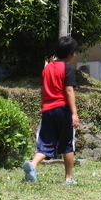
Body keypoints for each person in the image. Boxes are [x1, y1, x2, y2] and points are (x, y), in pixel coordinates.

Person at [23, 36, 80, 185]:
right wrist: (74, 113)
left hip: (48, 110)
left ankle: (33, 165)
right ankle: (68, 178)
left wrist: (43, 106)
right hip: (63, 109)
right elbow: (69, 91)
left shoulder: (47, 68)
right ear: (70, 54)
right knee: (67, 143)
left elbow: (43, 90)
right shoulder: (68, 69)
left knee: (46, 143)